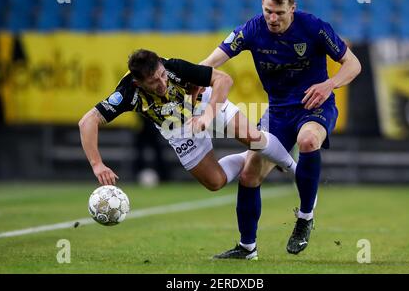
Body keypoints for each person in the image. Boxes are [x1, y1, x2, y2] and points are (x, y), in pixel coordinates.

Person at [200, 0, 361, 259]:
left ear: (293, 9)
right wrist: (189, 78)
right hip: (277, 112)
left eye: (279, 13)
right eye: (267, 11)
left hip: (314, 106)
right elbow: (211, 61)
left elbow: (353, 64)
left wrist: (329, 84)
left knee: (308, 140)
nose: (272, 19)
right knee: (250, 174)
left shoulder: (313, 27)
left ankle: (305, 218)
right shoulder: (252, 29)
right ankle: (247, 248)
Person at [79, 49, 297, 215]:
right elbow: (88, 121)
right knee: (215, 182)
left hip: (204, 104)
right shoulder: (127, 93)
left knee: (253, 139)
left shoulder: (173, 66)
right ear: (138, 83)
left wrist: (207, 115)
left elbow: (224, 79)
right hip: (175, 127)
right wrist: (97, 163)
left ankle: (297, 171)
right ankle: (258, 157)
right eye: (153, 82)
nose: (162, 83)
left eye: (162, 75)